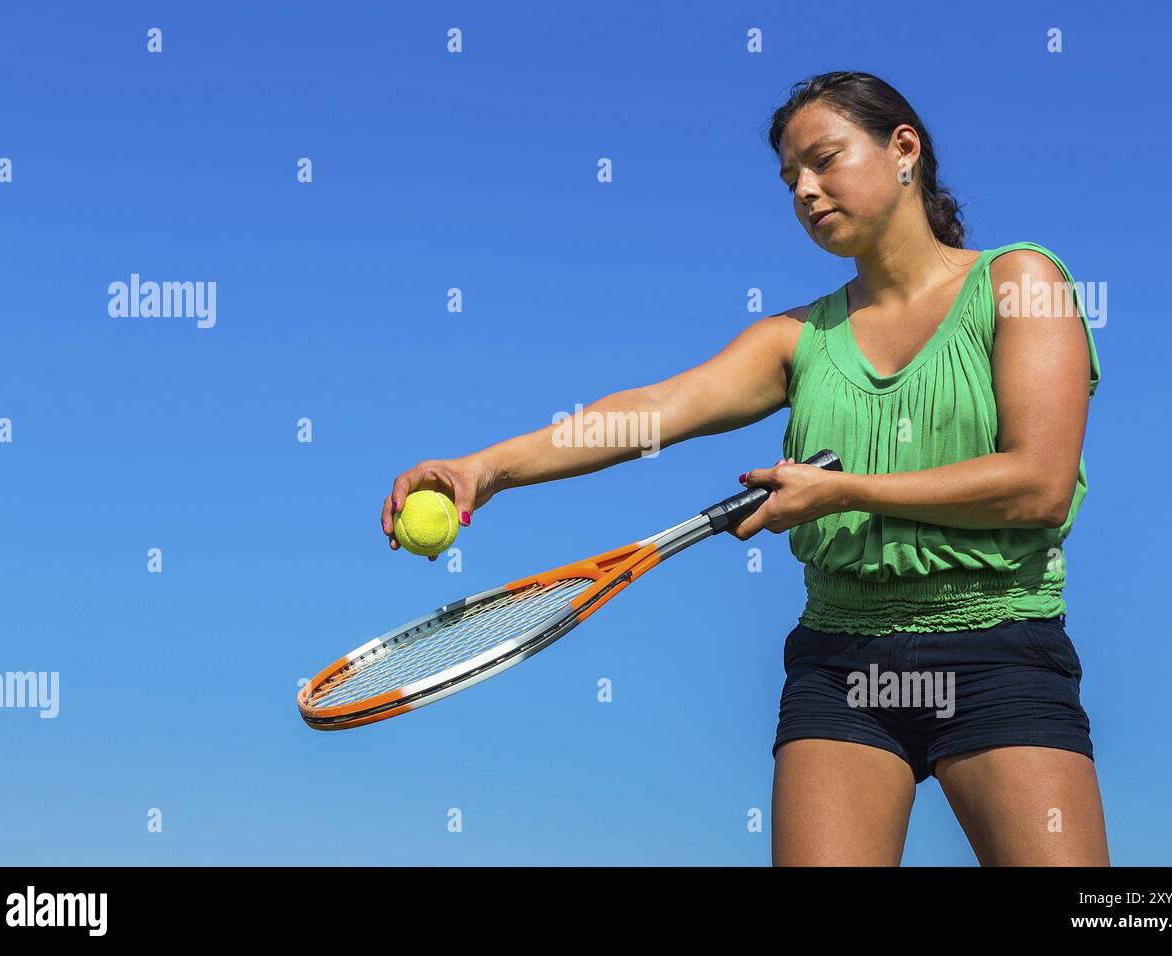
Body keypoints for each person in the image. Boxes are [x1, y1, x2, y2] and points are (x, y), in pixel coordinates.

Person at [380, 71, 1107, 866]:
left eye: (824, 160)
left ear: (904, 149)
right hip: (841, 666)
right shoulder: (796, 339)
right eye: (791, 177)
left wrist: (844, 491)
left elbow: (1036, 485)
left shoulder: (1019, 283)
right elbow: (652, 410)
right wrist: (486, 469)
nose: (805, 189)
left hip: (997, 648)